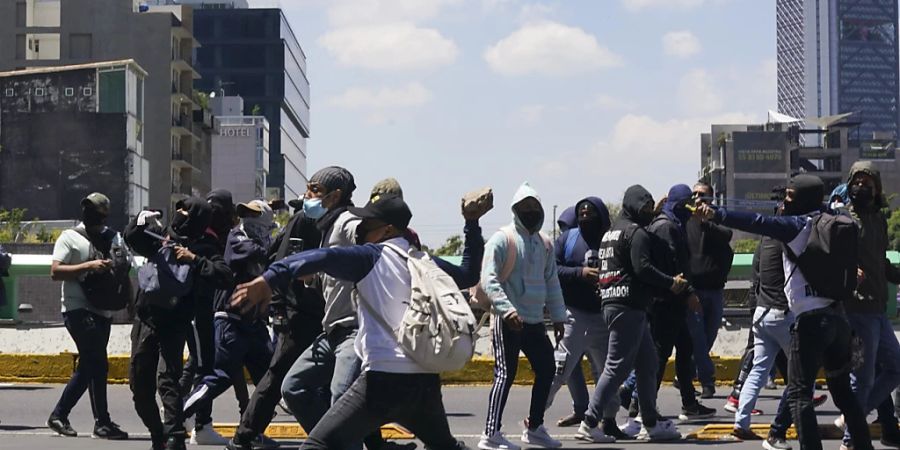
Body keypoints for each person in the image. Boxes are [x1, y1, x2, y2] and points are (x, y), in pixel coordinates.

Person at [230, 192, 486, 450]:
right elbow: (467, 274)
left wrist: (269, 278)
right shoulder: (423, 260)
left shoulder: (371, 256)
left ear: (387, 230)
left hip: (383, 380)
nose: (360, 231)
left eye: (367, 226)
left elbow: (324, 257)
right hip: (425, 383)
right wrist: (472, 224)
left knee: (317, 446)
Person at [695, 174, 874, 450]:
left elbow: (756, 222)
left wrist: (717, 213)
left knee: (799, 395)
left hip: (811, 322)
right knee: (843, 394)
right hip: (838, 320)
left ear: (802, 199)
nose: (785, 202)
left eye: (790, 196)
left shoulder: (798, 227)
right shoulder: (832, 220)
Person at [125, 198, 234, 450]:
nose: (179, 214)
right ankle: (158, 433)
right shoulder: (162, 235)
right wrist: (139, 223)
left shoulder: (206, 247)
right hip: (146, 320)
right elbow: (133, 239)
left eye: (186, 211)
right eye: (179, 209)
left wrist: (193, 259)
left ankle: (174, 436)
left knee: (167, 381)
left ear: (197, 219)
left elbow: (225, 276)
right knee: (139, 385)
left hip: (174, 323)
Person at [578, 185, 681, 443]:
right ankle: (590, 421)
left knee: (648, 364)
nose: (647, 212)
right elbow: (643, 268)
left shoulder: (611, 233)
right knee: (615, 367)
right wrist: (671, 283)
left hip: (615, 303)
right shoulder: (635, 233)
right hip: (628, 306)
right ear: (634, 206)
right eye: (644, 208)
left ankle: (650, 423)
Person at [279, 167, 372, 447]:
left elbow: (373, 241)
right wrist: (312, 278)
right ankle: (328, 442)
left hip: (354, 331)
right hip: (330, 333)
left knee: (341, 400)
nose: (307, 195)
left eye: (314, 190)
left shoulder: (347, 222)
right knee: (293, 388)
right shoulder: (327, 228)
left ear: (336, 195)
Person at [226, 196, 326, 450]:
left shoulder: (327, 222)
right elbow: (280, 261)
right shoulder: (304, 221)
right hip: (300, 311)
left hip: (316, 311)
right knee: (277, 375)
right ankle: (245, 435)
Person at [478, 182, 567, 450]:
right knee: (505, 374)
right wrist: (507, 311)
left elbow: (552, 282)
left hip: (534, 321)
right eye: (524, 208)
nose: (530, 212)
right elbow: (488, 279)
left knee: (547, 369)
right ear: (515, 210)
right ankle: (490, 433)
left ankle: (535, 428)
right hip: (509, 321)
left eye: (534, 208)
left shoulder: (545, 244)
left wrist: (559, 316)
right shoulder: (502, 239)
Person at [182, 200, 277, 436]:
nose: (247, 219)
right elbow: (260, 254)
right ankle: (177, 417)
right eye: (245, 214)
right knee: (220, 376)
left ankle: (251, 433)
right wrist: (280, 248)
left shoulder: (266, 241)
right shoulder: (238, 238)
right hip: (231, 321)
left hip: (254, 324)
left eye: (255, 215)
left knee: (270, 380)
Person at [46, 193, 128, 440]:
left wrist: (131, 303)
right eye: (87, 208)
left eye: (94, 209)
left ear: (104, 214)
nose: (89, 212)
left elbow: (125, 270)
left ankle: (102, 423)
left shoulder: (113, 238)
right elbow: (55, 271)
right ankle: (59, 414)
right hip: (77, 308)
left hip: (103, 309)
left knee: (96, 366)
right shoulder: (69, 237)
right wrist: (87, 267)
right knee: (95, 362)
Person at [544, 197, 625, 439]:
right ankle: (535, 417)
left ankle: (608, 421)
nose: (585, 217)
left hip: (603, 316)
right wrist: (580, 273)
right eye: (582, 214)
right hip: (574, 316)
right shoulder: (567, 239)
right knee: (559, 370)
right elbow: (552, 269)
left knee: (607, 373)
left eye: (591, 214)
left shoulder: (612, 238)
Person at [838, 162, 900, 449]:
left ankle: (853, 415)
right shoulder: (844, 218)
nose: (861, 186)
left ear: (876, 188)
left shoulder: (877, 220)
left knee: (895, 368)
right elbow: (831, 255)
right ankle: (852, 439)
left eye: (867, 182)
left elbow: (881, 261)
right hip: (856, 309)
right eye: (857, 181)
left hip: (878, 308)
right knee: (860, 377)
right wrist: (850, 271)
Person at [645, 185, 715, 420]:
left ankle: (689, 403)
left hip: (674, 301)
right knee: (660, 355)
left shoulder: (673, 224)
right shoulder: (666, 226)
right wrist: (689, 293)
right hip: (666, 302)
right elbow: (674, 266)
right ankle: (643, 405)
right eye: (687, 202)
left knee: (685, 351)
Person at [180, 189, 237, 445]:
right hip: (200, 310)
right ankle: (193, 420)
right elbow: (223, 274)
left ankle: (184, 414)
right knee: (205, 369)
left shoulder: (193, 238)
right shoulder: (205, 242)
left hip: (199, 310)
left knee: (196, 364)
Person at [686, 182, 733, 398]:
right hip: (693, 291)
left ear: (711, 199)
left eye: (702, 195)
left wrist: (707, 221)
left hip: (715, 290)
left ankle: (685, 374)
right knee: (698, 338)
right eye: (694, 194)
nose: (697, 198)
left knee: (709, 336)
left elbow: (727, 235)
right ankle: (707, 381)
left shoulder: (716, 219)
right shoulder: (684, 222)